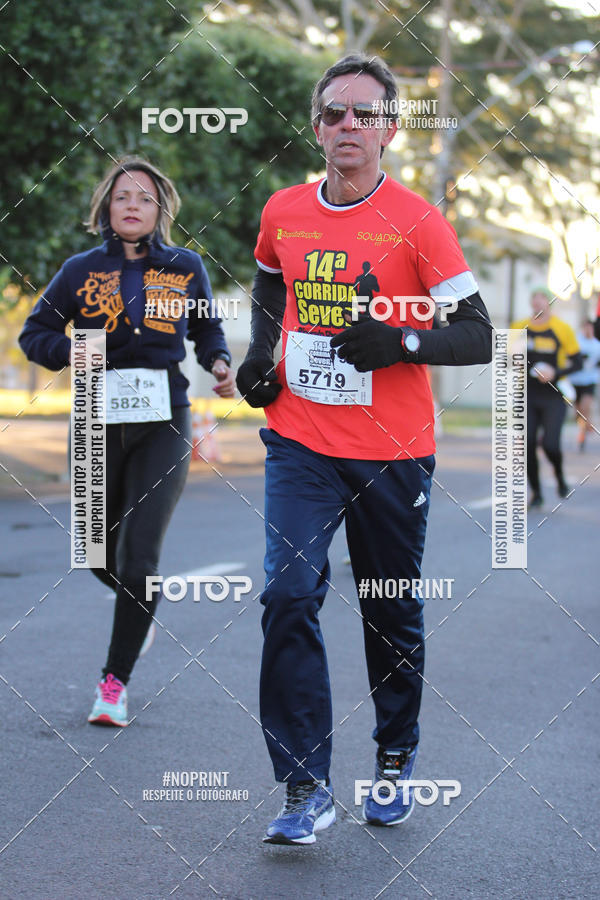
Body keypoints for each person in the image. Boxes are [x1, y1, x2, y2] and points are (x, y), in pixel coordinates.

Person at [236, 53, 493, 845]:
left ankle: (392, 760)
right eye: (334, 113)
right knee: (286, 596)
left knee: (387, 611)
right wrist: (260, 354)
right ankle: (304, 785)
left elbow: (479, 333)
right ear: (316, 128)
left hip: (393, 452)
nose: (348, 125)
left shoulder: (418, 222)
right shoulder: (283, 209)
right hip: (300, 441)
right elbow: (272, 283)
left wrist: (401, 341)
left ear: (388, 129)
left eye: (364, 114)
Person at [19, 156, 234, 726]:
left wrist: (218, 360)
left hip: (164, 420)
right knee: (95, 554)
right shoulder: (79, 270)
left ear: (160, 207)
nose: (132, 205)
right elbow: (34, 333)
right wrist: (75, 352)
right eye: (121, 197)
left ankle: (113, 684)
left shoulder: (186, 267)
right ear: (106, 209)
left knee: (139, 558)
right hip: (95, 416)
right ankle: (142, 606)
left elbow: (208, 327)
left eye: (143, 197)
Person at [512, 287, 581, 508]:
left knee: (551, 444)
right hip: (527, 395)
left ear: (549, 303)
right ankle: (537, 493)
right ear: (531, 304)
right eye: (535, 300)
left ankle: (559, 476)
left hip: (553, 396)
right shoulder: (519, 327)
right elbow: (506, 358)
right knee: (528, 444)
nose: (538, 304)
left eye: (543, 299)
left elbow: (577, 362)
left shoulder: (562, 329)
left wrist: (555, 373)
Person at [570, 320, 600, 451]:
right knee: (578, 412)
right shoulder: (576, 342)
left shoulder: (597, 345)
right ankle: (587, 425)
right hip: (576, 380)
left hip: (590, 380)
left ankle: (583, 433)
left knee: (585, 405)